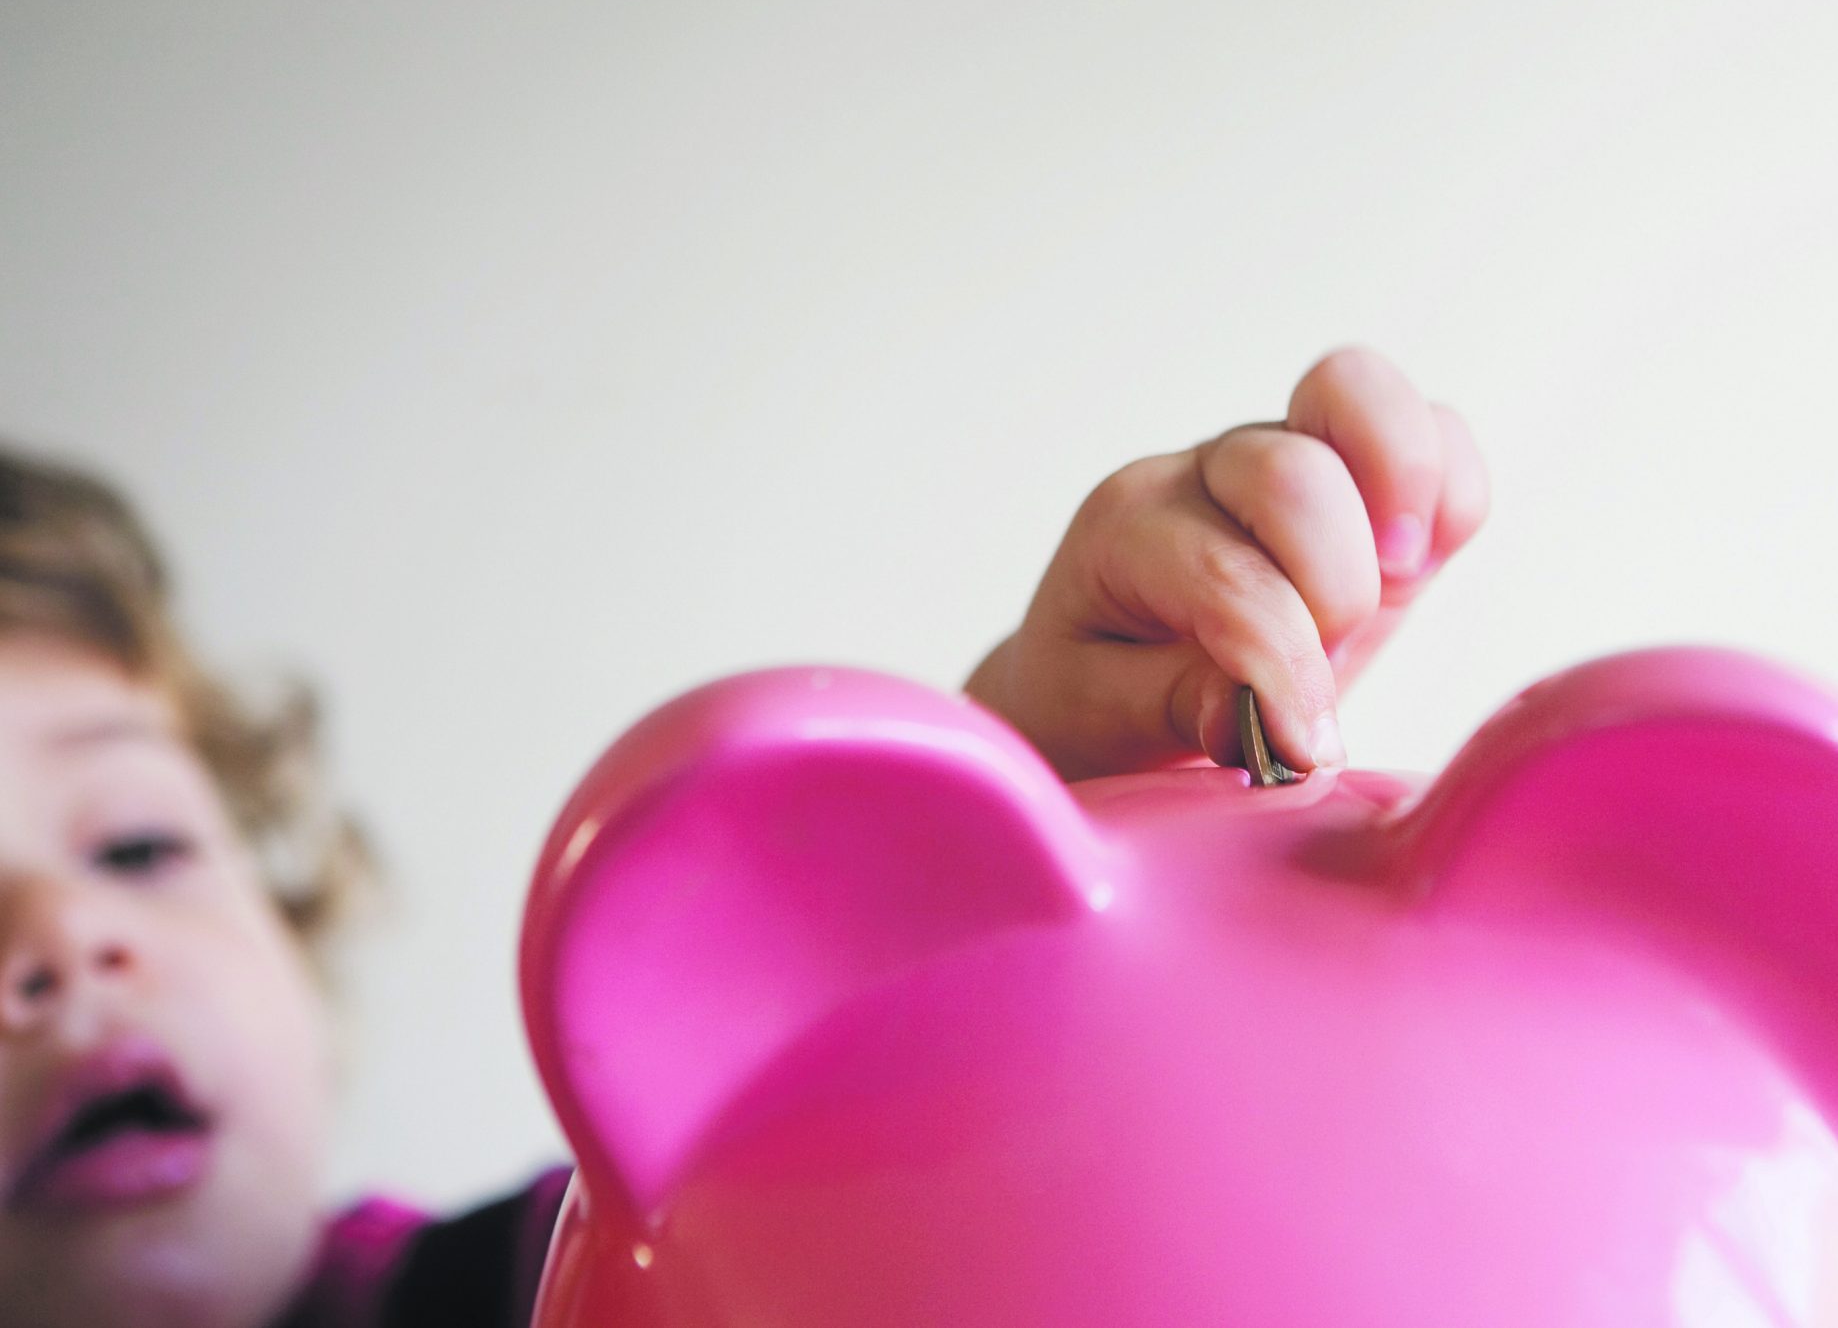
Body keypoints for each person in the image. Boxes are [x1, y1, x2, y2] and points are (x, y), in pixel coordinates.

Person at [0, 347, 1489, 1328]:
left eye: (135, 847)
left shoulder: (539, 1283)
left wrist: (999, 878)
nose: (62, 945)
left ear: (283, 915)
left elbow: (850, 1205)